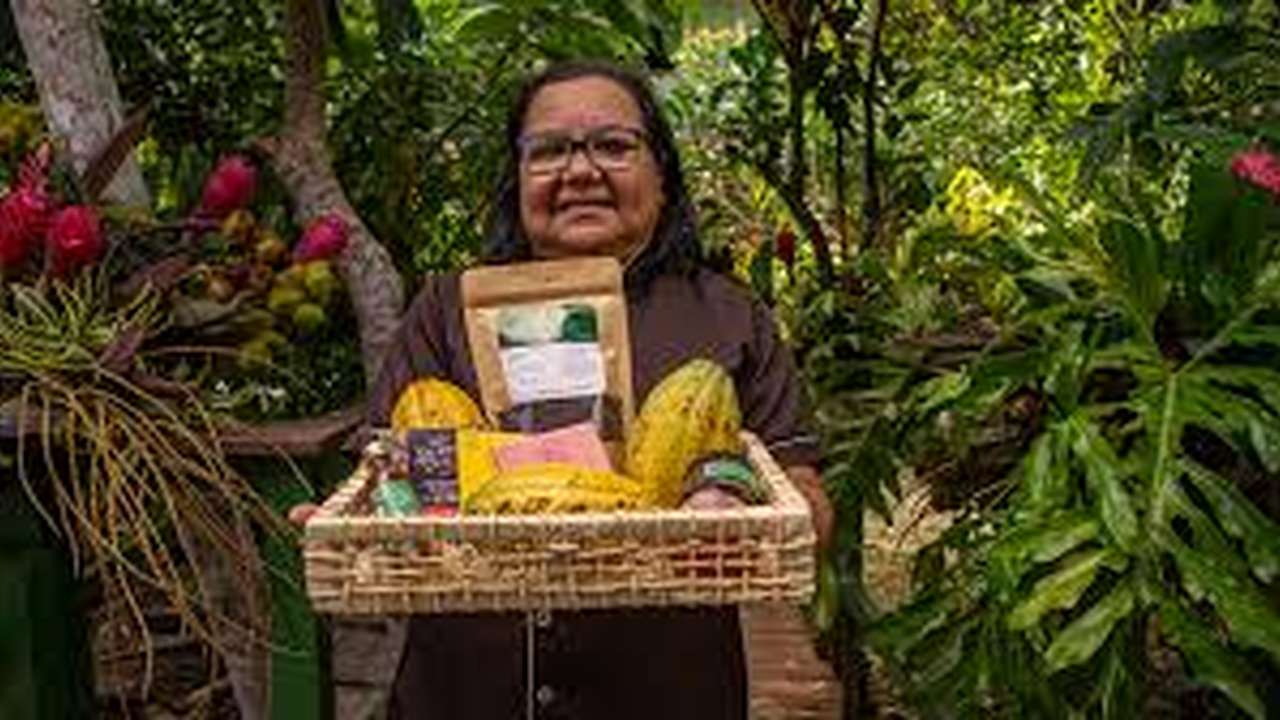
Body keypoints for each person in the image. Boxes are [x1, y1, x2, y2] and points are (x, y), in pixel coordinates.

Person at [296, 59, 833, 719]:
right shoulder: (444, 310)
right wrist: (357, 515)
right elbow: (396, 473)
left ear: (661, 175)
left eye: (613, 145)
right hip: (464, 696)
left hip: (665, 696)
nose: (580, 171)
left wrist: (746, 503)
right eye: (549, 151)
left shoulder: (727, 316)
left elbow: (800, 485)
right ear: (516, 179)